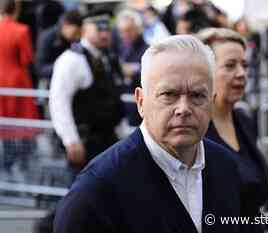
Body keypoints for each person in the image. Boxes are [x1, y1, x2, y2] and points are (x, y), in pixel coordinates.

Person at [54, 35, 247, 233]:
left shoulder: (226, 167)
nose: (183, 108)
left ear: (212, 102)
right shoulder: (97, 189)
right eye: (168, 95)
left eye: (197, 95)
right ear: (141, 102)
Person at [198, 28, 268, 233]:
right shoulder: (194, 133)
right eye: (230, 65)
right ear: (205, 72)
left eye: (244, 65)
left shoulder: (244, 120)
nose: (241, 73)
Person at [49, 10, 125, 179]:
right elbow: (59, 102)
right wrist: (71, 140)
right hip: (85, 142)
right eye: (99, 29)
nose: (105, 33)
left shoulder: (108, 58)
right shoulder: (71, 60)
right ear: (84, 30)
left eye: (107, 29)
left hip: (108, 140)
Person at [0, 0, 40, 180]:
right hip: (17, 82)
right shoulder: (21, 30)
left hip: (1, 82)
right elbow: (27, 58)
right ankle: (19, 168)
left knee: (5, 125)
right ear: (16, 9)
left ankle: (6, 168)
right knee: (21, 127)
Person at [112, 9, 148, 127]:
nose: (124, 35)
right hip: (123, 106)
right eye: (121, 32)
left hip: (139, 108)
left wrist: (134, 71)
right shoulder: (120, 47)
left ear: (138, 29)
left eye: (128, 31)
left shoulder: (147, 50)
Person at [36, 9, 82, 80]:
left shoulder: (75, 40)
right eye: (75, 32)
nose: (77, 37)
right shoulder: (47, 38)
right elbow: (40, 68)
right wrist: (62, 66)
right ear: (66, 25)